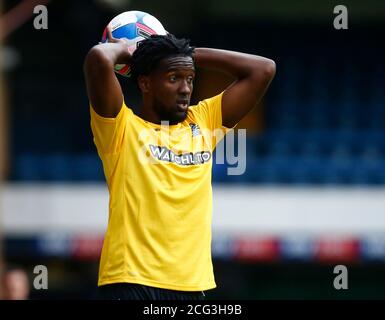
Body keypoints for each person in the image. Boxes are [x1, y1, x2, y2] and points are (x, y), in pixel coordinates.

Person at [84, 27, 275, 300]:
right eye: (174, 78)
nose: (185, 89)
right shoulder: (121, 128)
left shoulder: (204, 122)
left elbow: (263, 69)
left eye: (190, 78)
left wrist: (183, 54)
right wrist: (127, 50)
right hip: (131, 281)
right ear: (146, 83)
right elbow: (98, 59)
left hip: (192, 286)